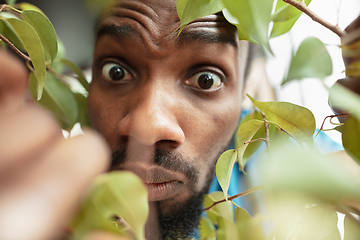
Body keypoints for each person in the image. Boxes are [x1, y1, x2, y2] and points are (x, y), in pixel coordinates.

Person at [0, 0, 251, 239]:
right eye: (116, 72)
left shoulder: (270, 182)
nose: (148, 127)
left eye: (206, 80)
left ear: (244, 96)